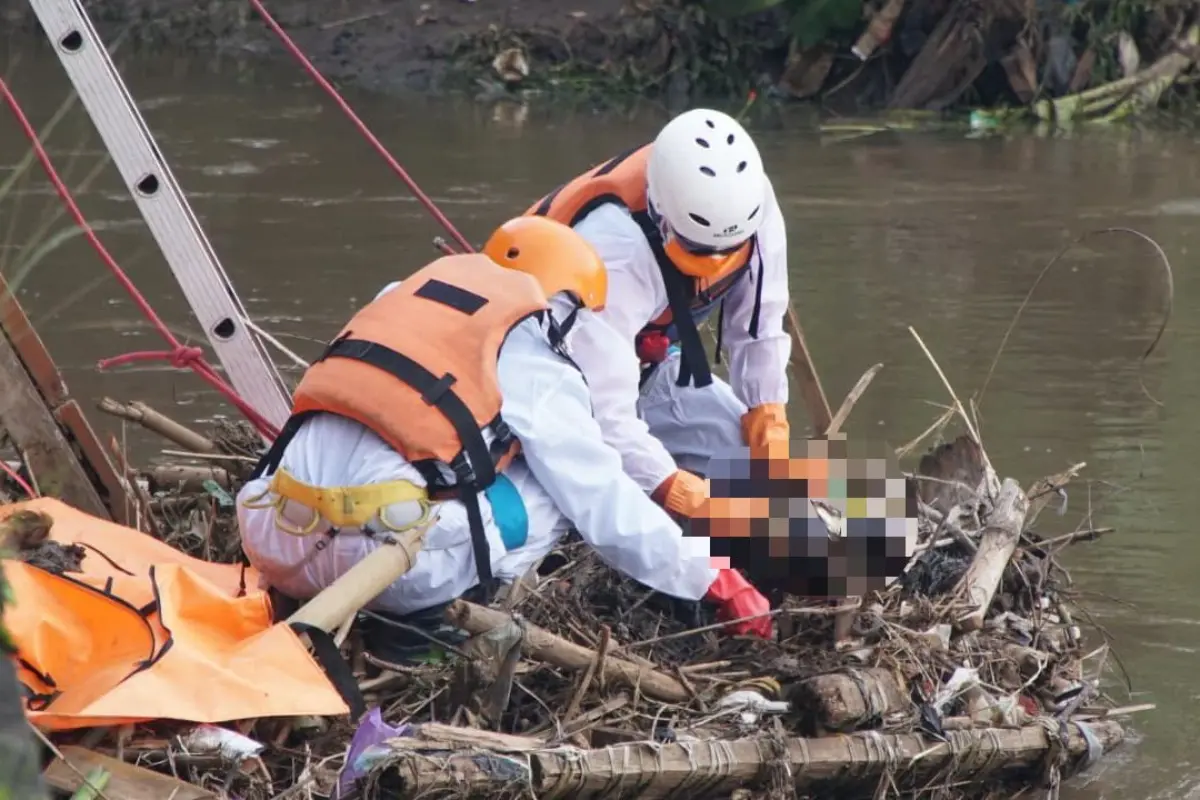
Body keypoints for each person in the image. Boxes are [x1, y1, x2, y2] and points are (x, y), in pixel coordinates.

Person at [236, 216, 771, 658]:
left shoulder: (402, 297)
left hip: (271, 535)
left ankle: (331, 595)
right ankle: (423, 625)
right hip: (385, 567)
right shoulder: (531, 348)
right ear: (559, 301)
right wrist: (711, 578)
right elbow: (602, 502)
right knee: (556, 490)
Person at [525, 107, 792, 525]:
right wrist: (670, 486)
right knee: (596, 503)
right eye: (699, 251)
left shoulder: (752, 205)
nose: (717, 264)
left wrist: (768, 417)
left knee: (756, 471)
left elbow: (760, 327)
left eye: (729, 250)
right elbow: (605, 411)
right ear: (660, 211)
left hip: (649, 363)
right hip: (557, 388)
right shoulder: (614, 252)